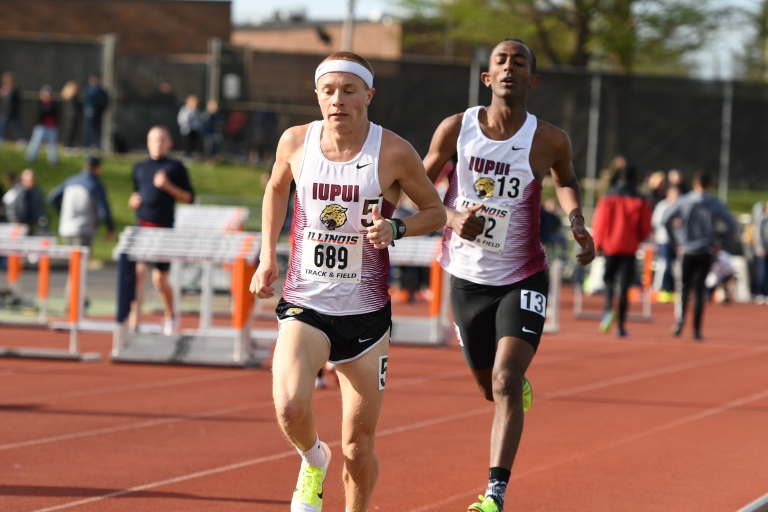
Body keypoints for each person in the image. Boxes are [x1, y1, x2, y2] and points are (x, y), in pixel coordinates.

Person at [249, 51, 445, 512]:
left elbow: (435, 212)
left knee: (358, 448)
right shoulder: (296, 142)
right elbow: (277, 188)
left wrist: (397, 228)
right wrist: (266, 256)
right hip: (306, 303)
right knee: (289, 407)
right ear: (317, 95)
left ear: (368, 95)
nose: (337, 100)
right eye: (328, 90)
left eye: (349, 90)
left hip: (365, 317)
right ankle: (313, 458)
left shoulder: (393, 151)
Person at [422, 39, 595, 512]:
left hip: (523, 276)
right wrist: (453, 217)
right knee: (488, 388)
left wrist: (577, 220)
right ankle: (511, 388)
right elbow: (418, 185)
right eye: (500, 61)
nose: (509, 68)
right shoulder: (457, 129)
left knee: (504, 377)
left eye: (520, 62)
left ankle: (494, 493)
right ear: (487, 78)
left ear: (532, 80)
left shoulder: (550, 139)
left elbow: (565, 179)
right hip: (465, 277)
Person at [128, 126, 195, 335]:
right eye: (154, 139)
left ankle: (171, 317)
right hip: (143, 227)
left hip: (164, 230)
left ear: (169, 143)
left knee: (160, 281)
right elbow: (135, 194)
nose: (157, 143)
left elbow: (189, 198)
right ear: (148, 142)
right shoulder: (139, 168)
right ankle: (134, 323)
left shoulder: (176, 167)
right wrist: (133, 201)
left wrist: (167, 187)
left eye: (162, 139)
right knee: (138, 276)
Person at [663, 171, 736, 340]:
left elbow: (666, 219)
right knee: (699, 289)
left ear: (695, 183)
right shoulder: (715, 203)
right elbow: (731, 223)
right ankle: (696, 328)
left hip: (687, 250)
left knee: (683, 287)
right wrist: (721, 244)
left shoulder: (684, 201)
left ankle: (680, 321)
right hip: (705, 251)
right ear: (710, 184)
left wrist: (675, 240)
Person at [592, 165, 652, 337]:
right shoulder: (641, 199)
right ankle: (621, 326)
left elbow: (601, 222)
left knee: (609, 279)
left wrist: (598, 244)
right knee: (626, 286)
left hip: (611, 245)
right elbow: (645, 226)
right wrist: (639, 238)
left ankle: (610, 308)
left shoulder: (608, 195)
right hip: (630, 247)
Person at [48, 155, 115, 248]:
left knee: (71, 260)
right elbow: (103, 210)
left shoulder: (71, 181)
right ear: (97, 168)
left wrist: (63, 213)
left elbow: (52, 198)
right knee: (80, 260)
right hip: (84, 229)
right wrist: (110, 228)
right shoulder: (95, 184)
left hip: (66, 228)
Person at [652, 186, 680, 303]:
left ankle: (672, 290)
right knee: (666, 264)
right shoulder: (662, 206)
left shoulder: (679, 206)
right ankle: (664, 289)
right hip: (664, 240)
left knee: (676, 266)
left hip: (677, 241)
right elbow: (656, 222)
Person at [25, 86, 59, 165]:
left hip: (51, 126)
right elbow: (39, 114)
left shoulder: (54, 104)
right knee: (35, 142)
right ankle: (31, 157)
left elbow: (55, 114)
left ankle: (53, 161)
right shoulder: (39, 104)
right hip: (41, 127)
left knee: (52, 144)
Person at [8, 169, 46, 234]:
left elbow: (40, 208)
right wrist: (14, 219)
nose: (30, 182)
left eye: (32, 180)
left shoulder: (38, 192)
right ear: (22, 180)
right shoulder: (16, 190)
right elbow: (10, 206)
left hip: (32, 222)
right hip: (18, 222)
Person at [83, 73, 108, 149]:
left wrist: (102, 108)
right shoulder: (88, 89)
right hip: (90, 110)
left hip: (98, 112)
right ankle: (87, 145)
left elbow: (105, 100)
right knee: (88, 129)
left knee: (97, 129)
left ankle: (96, 145)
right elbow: (87, 100)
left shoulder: (101, 90)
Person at [0, 72, 26, 145]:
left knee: (17, 126)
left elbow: (14, 100)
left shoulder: (15, 89)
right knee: (2, 125)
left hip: (13, 111)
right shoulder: (5, 88)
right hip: (5, 110)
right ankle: (1, 138)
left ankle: (22, 140)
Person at [177, 94, 202, 161]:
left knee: (193, 144)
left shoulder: (197, 110)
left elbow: (198, 120)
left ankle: (191, 156)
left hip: (194, 130)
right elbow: (182, 119)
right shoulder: (184, 109)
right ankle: (186, 157)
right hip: (186, 130)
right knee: (187, 144)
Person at [753, 200, 768, 304]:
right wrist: (760, 247)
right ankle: (759, 293)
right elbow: (757, 234)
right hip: (763, 249)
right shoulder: (762, 218)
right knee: (761, 272)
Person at [61, 81, 82, 153]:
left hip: (71, 116)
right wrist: (74, 114)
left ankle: (70, 144)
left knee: (73, 131)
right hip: (71, 116)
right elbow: (71, 108)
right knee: (70, 131)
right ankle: (67, 145)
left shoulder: (73, 97)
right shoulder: (70, 97)